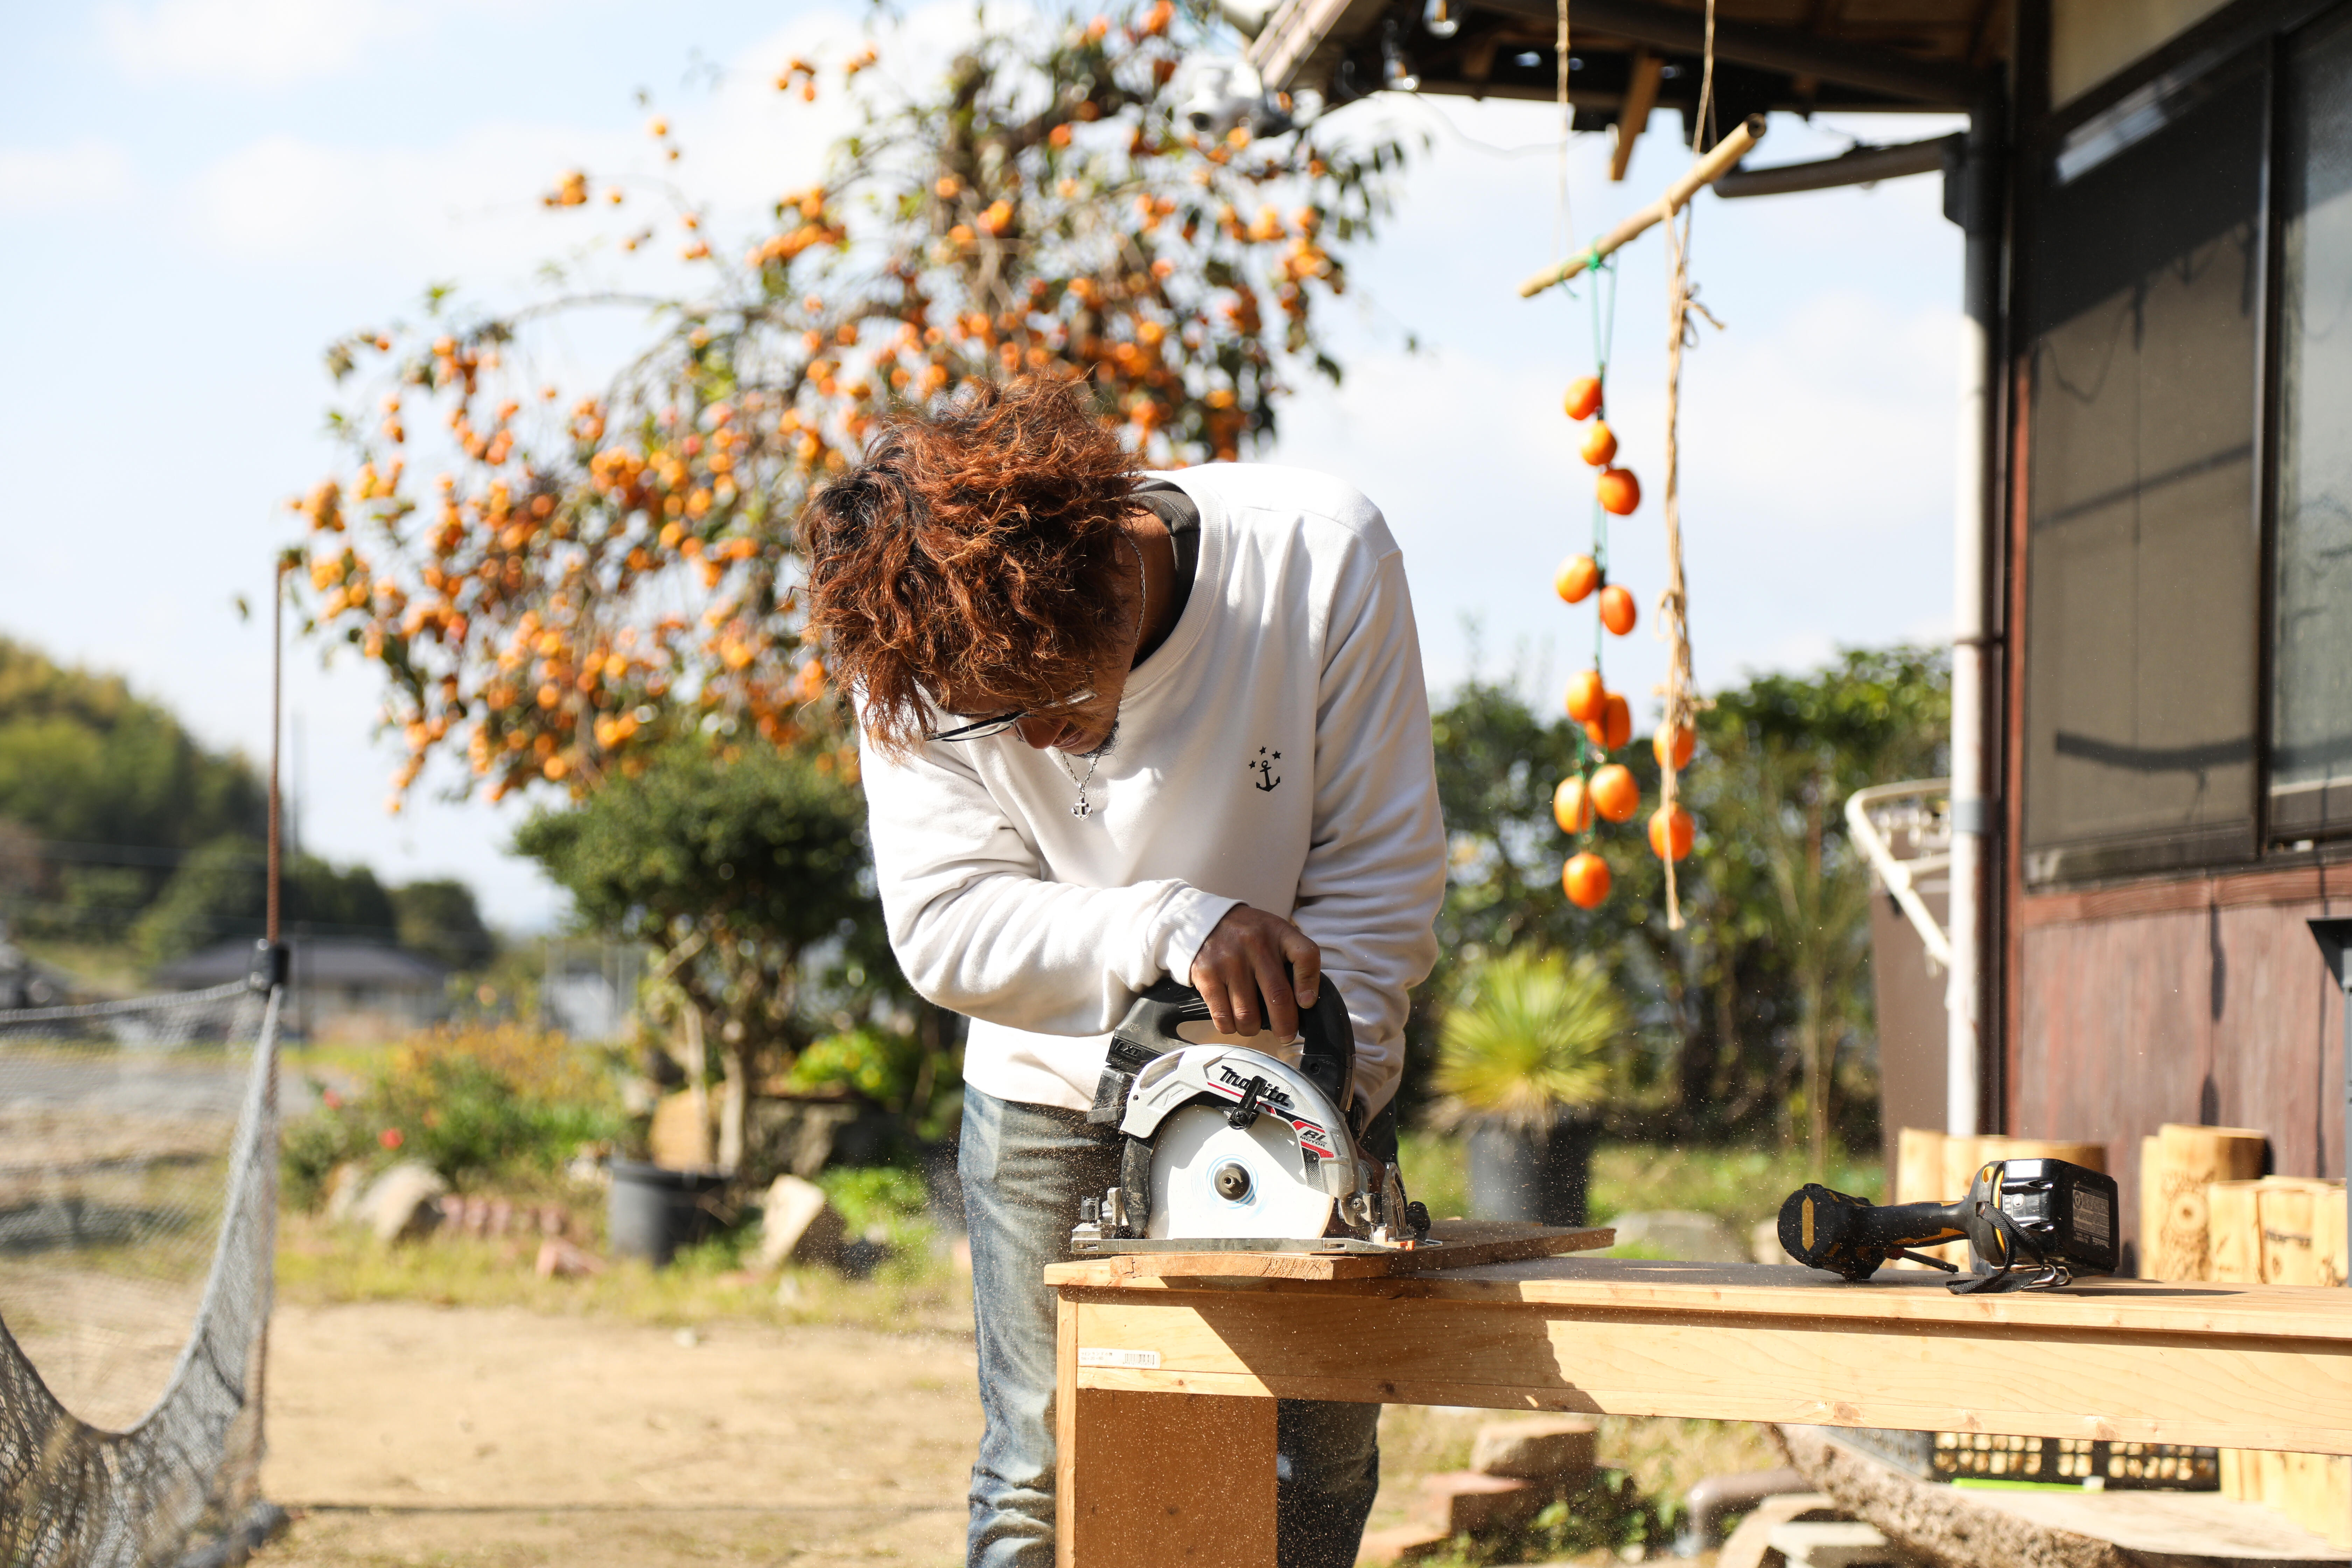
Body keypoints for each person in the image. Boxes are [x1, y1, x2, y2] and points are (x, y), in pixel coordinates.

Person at [804, 377, 1446, 1568]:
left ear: (1102, 569)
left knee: (1308, 1468)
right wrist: (1173, 921)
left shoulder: (1318, 558)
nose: (1032, 743)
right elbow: (946, 923)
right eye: (988, 720)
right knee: (1044, 1478)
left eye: (1047, 698)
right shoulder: (912, 647)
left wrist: (1312, 1097)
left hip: (1303, 1080)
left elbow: (1380, 875)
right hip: (1053, 1093)